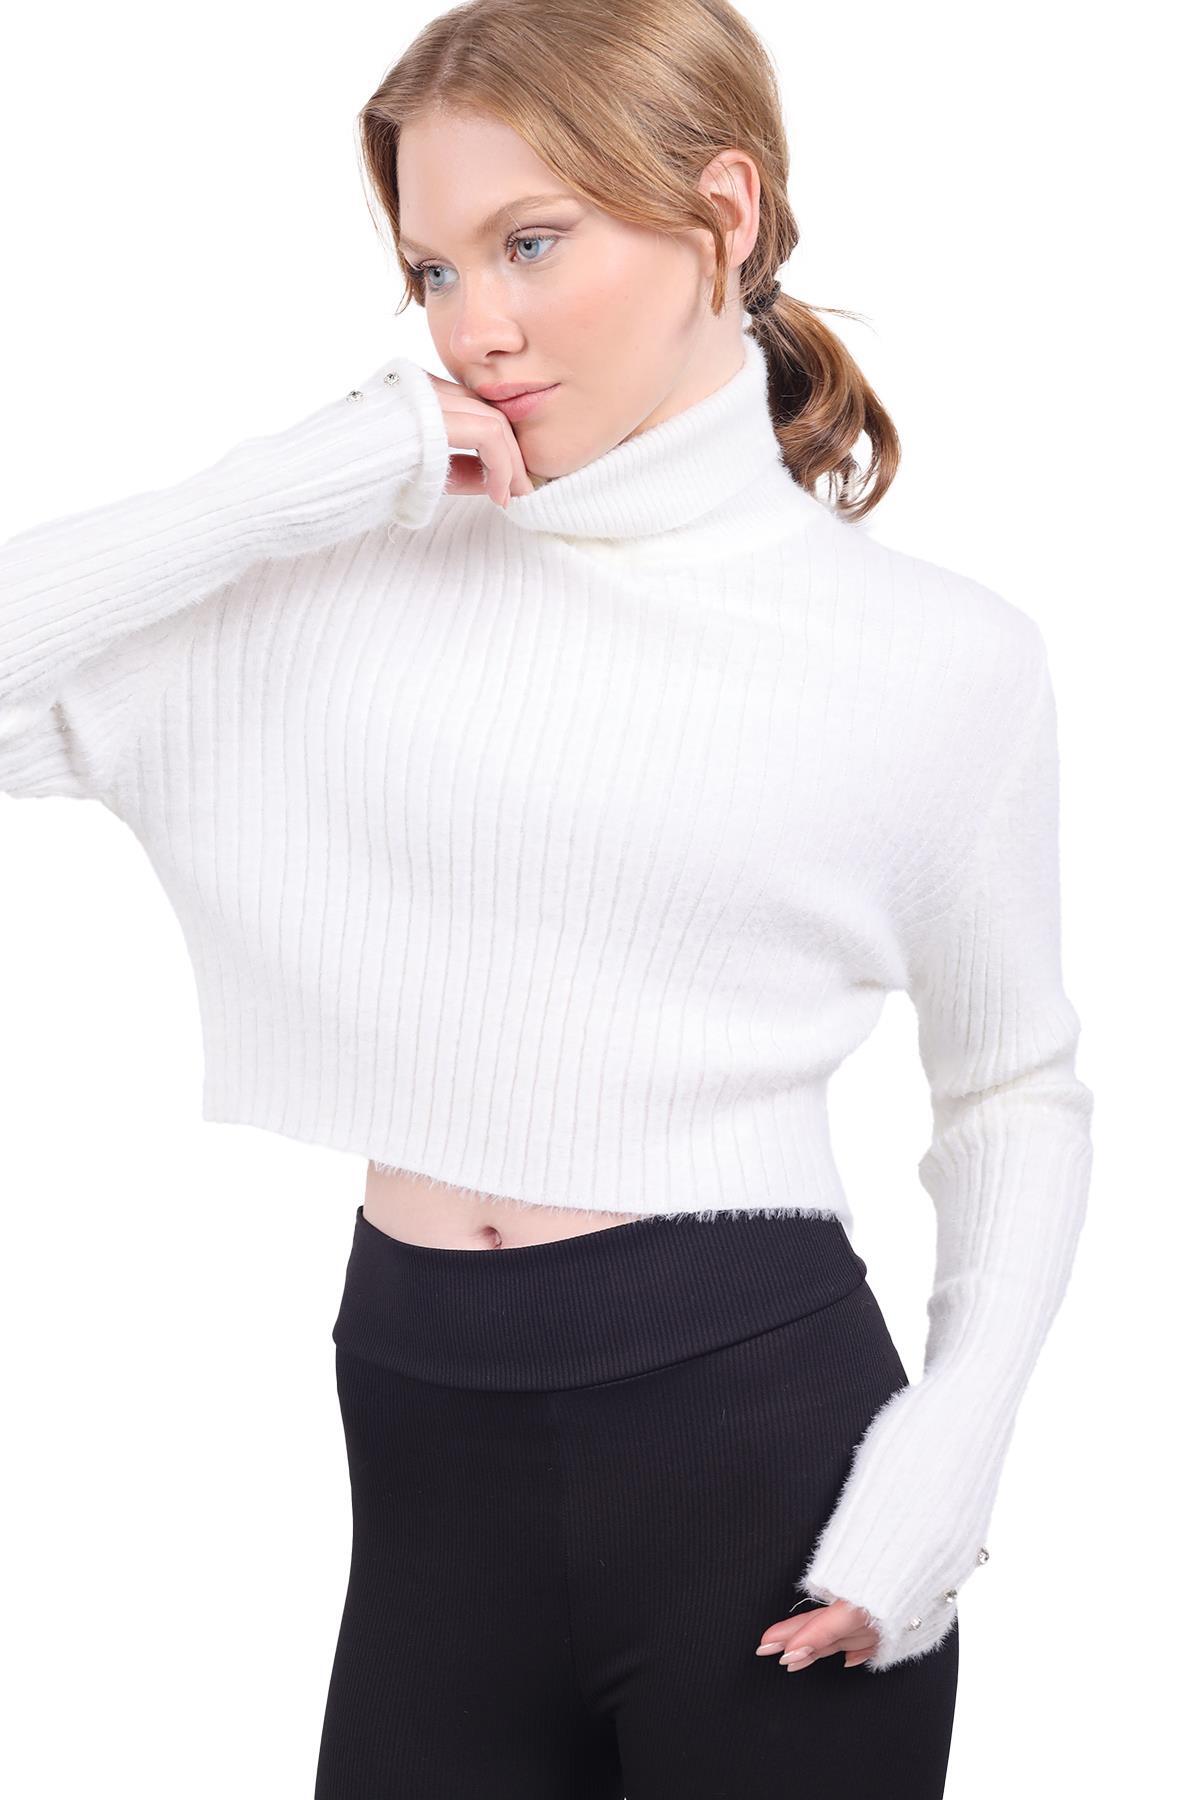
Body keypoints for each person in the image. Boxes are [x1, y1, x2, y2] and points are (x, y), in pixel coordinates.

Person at [0, 1, 1094, 1795]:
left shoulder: (936, 658)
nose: (473, 328)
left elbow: (1015, 1088)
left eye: (531, 243)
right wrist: (287, 484)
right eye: (433, 269)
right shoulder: (338, 577)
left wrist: (947, 1468)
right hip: (423, 1444)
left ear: (722, 212)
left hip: (772, 1471)